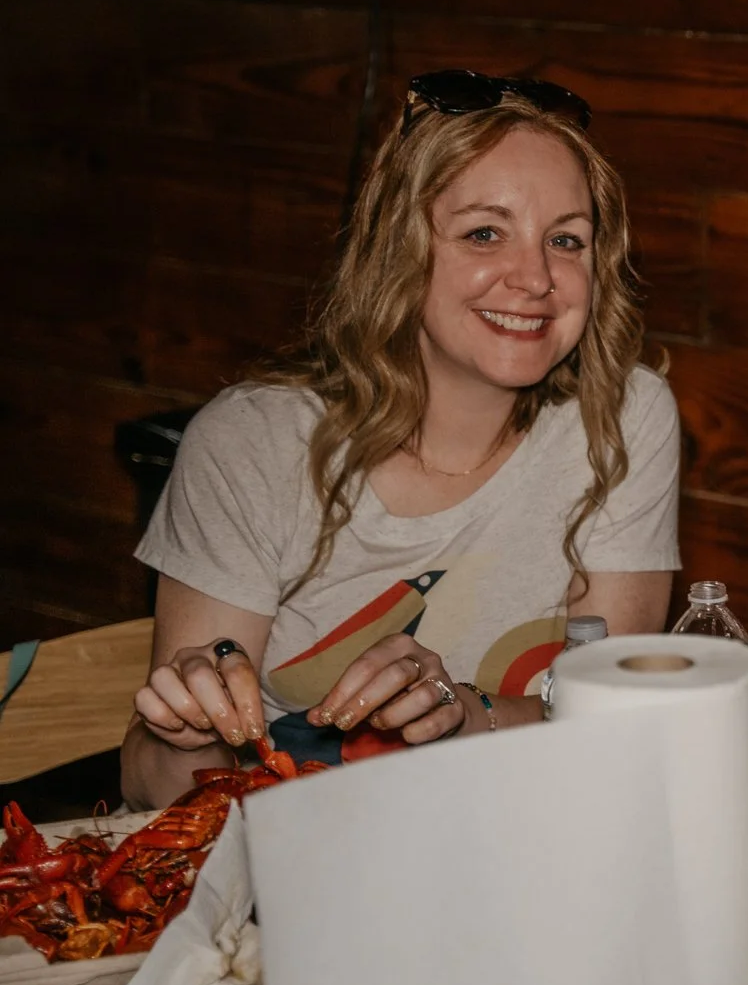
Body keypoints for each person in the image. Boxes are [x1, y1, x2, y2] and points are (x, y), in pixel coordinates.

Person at [121, 71, 681, 809]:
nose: (537, 277)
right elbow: (152, 789)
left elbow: (611, 727)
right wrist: (190, 739)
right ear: (400, 249)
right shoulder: (250, 443)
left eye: (566, 240)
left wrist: (462, 712)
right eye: (485, 232)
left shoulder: (623, 415)